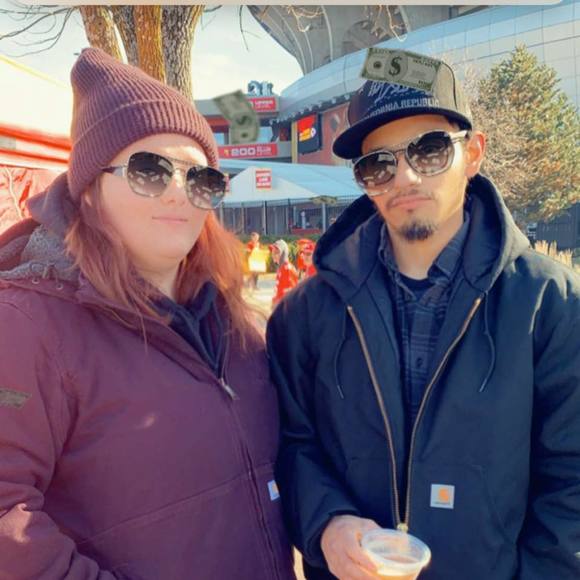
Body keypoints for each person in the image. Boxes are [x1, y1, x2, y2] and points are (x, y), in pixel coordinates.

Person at [267, 49, 580, 580]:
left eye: (429, 149)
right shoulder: (304, 314)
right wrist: (327, 524)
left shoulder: (550, 303)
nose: (406, 176)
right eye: (378, 163)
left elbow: (571, 484)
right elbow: (293, 447)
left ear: (473, 153)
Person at [0, 48, 295, 580]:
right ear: (89, 191)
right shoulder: (27, 325)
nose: (179, 193)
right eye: (150, 170)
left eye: (201, 179)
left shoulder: (232, 320)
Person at [270, 239, 298, 308]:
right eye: (272, 252)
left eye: (276, 252)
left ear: (283, 253)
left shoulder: (287, 269)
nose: (273, 255)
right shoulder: (282, 268)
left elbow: (289, 294)